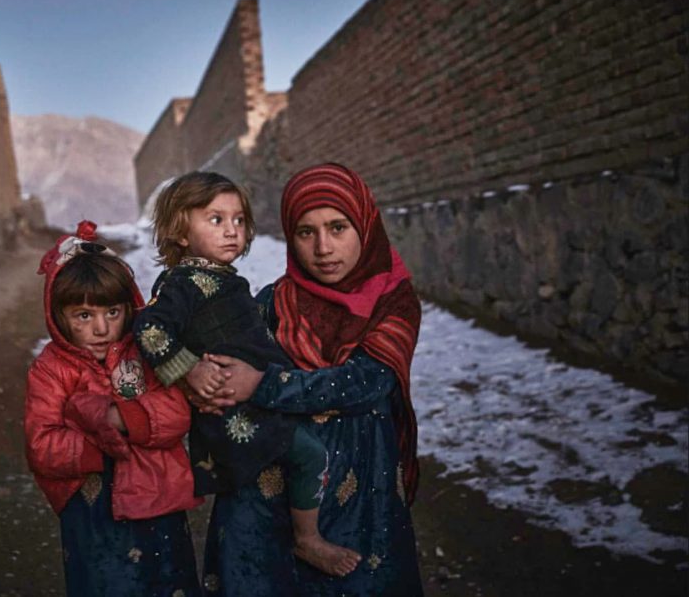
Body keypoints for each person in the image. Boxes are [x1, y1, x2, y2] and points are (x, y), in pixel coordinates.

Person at [198, 163, 424, 596]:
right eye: (306, 232)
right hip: (270, 486)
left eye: (338, 227)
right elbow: (227, 362)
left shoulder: (392, 302)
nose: (323, 247)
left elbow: (366, 382)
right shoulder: (272, 302)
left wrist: (262, 385)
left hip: (359, 482)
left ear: (365, 225)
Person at [133, 171, 361, 578]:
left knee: (293, 460)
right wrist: (190, 369)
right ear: (180, 232)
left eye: (239, 220)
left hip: (253, 398)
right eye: (215, 220)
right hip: (233, 410)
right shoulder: (181, 283)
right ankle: (307, 539)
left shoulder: (226, 280)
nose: (232, 231)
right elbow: (149, 328)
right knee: (308, 456)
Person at [24, 220, 203, 597]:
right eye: (84, 316)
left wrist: (121, 418)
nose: (101, 329)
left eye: (113, 313)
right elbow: (42, 446)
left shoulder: (147, 352)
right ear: (59, 317)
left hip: (159, 501)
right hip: (93, 511)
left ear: (129, 306)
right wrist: (96, 443)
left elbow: (177, 411)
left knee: (167, 580)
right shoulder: (51, 370)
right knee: (104, 581)